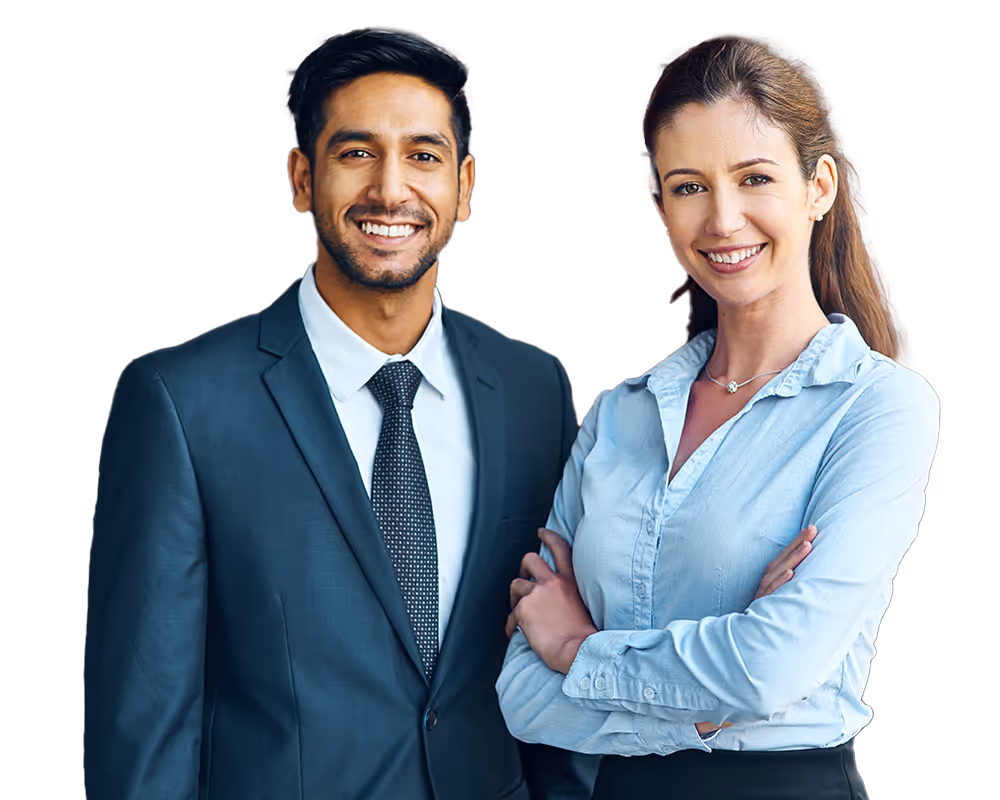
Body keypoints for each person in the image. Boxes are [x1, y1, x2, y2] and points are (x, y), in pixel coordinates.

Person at [84, 25, 595, 800]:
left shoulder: (535, 390)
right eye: (356, 152)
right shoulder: (181, 404)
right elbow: (144, 730)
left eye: (424, 156)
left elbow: (555, 681)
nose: (390, 189)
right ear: (301, 178)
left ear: (464, 186)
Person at [497, 31, 939, 799]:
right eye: (688, 187)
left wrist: (578, 650)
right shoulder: (618, 416)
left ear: (819, 186)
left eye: (754, 177)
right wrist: (707, 708)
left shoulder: (878, 408)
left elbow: (770, 669)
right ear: (661, 205)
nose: (723, 220)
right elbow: (523, 697)